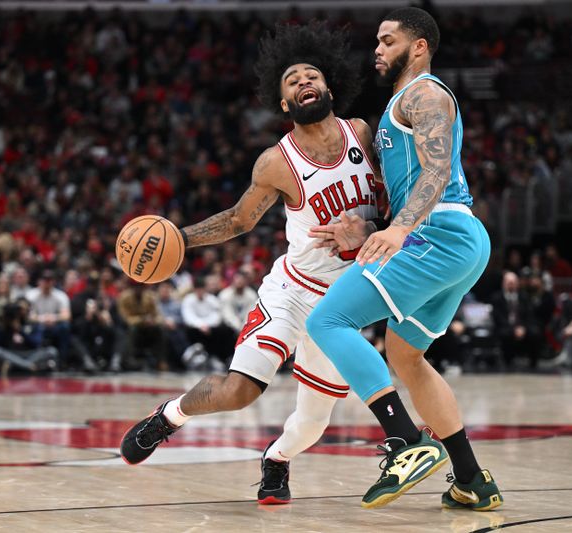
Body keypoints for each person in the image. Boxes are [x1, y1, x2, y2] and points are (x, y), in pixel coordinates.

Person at [120, 22, 379, 506]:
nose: (304, 81)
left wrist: (370, 230)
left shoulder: (363, 134)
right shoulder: (276, 162)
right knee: (240, 391)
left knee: (313, 424)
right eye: (292, 80)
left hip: (343, 305)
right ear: (283, 104)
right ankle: (169, 416)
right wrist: (181, 237)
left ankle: (276, 459)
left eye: (312, 75)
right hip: (294, 291)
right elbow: (240, 219)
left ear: (329, 87)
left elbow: (396, 207)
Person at [305, 7, 502, 511]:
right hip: (454, 239)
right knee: (406, 356)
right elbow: (417, 184)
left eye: (388, 41)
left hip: (438, 233)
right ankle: (470, 479)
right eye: (377, 41)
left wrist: (397, 228)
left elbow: (436, 174)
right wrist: (372, 227)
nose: (377, 49)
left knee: (329, 319)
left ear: (419, 47)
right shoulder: (399, 104)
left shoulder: (427, 94)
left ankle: (407, 440)